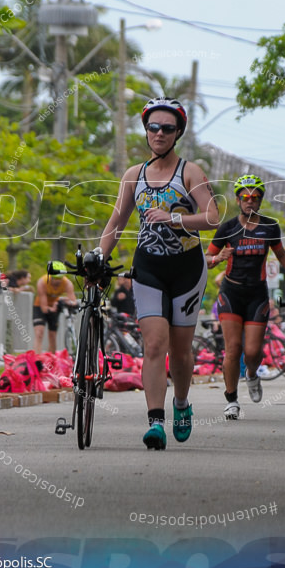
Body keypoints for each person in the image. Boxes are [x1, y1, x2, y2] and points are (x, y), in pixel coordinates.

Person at [96, 97, 219, 449]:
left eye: (167, 128)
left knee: (180, 352)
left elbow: (212, 218)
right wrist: (98, 257)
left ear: (177, 132)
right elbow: (116, 222)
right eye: (153, 127)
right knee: (153, 345)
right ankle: (155, 422)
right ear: (146, 131)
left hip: (186, 269)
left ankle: (181, 404)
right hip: (148, 268)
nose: (159, 134)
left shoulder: (190, 172)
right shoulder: (134, 175)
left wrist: (176, 217)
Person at [206, 174, 285, 420]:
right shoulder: (227, 228)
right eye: (245, 197)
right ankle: (232, 399)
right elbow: (206, 259)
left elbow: (282, 256)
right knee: (233, 348)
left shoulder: (269, 227)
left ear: (260, 201)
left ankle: (253, 375)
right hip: (231, 293)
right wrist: (216, 258)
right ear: (237, 200)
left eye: (255, 197)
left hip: (256, 294)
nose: (250, 201)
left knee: (253, 351)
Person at [32, 271, 78, 353]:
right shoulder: (42, 282)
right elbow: (44, 309)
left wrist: (63, 300)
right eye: (55, 279)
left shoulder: (67, 283)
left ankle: (52, 359)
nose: (58, 281)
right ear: (51, 278)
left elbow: (73, 301)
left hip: (55, 306)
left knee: (52, 335)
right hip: (40, 306)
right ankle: (37, 359)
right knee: (39, 333)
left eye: (60, 279)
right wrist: (52, 308)